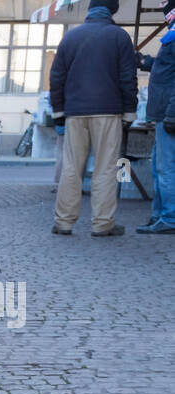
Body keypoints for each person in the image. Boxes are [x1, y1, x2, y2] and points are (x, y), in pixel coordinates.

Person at [50, 0, 138, 237]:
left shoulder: (70, 37)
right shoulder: (119, 37)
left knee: (71, 167)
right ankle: (102, 224)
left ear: (90, 10)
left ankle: (64, 222)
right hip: (108, 111)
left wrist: (58, 111)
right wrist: (130, 111)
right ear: (112, 10)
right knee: (106, 169)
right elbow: (128, 79)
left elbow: (56, 77)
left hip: (75, 113)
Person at [138, 0, 175, 234]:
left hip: (168, 115)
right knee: (159, 167)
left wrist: (172, 114)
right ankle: (159, 214)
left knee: (166, 168)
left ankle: (169, 218)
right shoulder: (172, 34)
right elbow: (167, 68)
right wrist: (146, 62)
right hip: (163, 114)